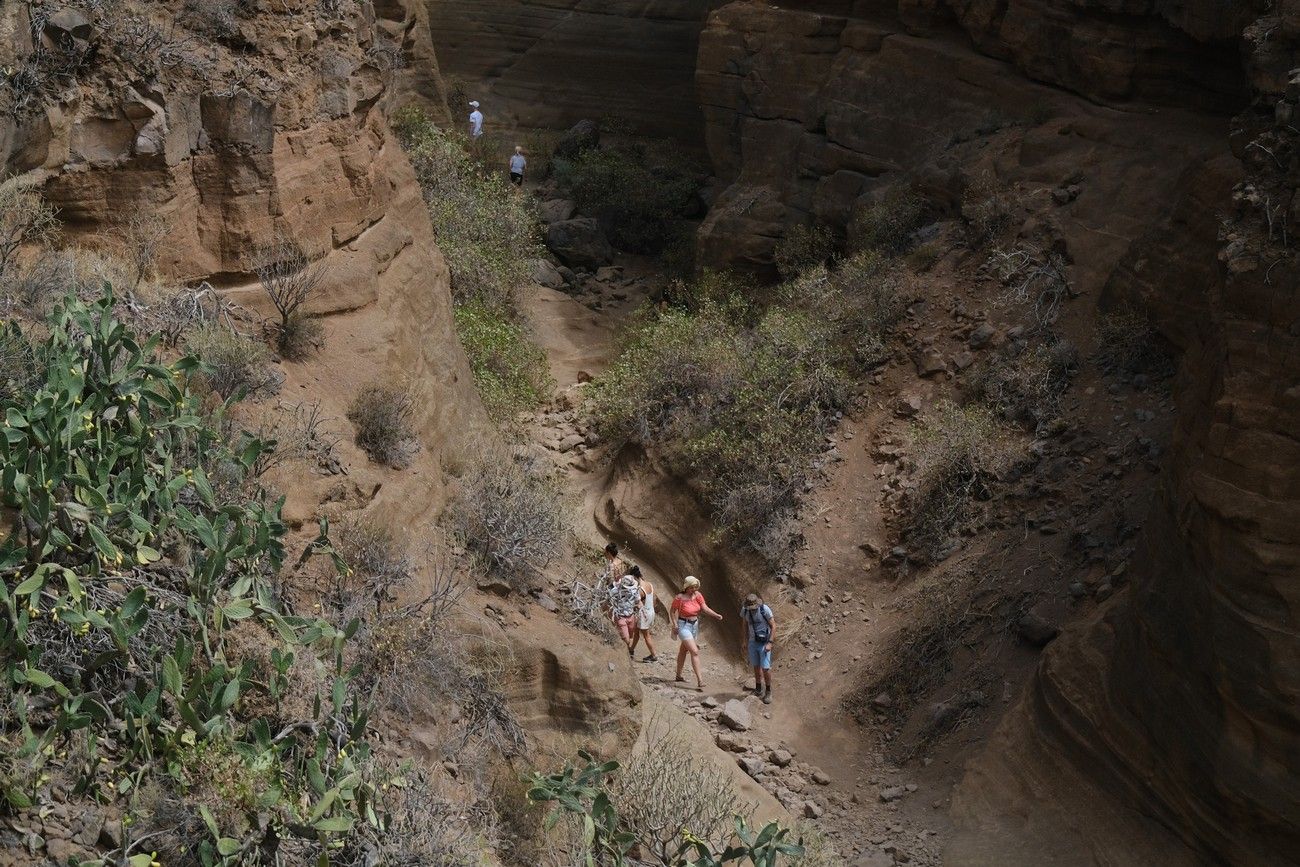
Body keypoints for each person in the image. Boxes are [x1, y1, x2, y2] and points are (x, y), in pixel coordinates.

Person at [669, 575, 723, 691]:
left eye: (695, 587)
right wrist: (675, 624)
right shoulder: (680, 597)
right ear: (686, 587)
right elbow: (672, 611)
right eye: (692, 587)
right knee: (694, 651)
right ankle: (700, 680)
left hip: (694, 625)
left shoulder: (698, 595)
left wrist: (716, 615)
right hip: (683, 626)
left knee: (683, 650)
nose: (694, 589)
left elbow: (705, 608)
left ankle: (678, 676)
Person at [740, 593, 776, 704]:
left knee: (765, 668)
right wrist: (745, 641)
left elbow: (773, 626)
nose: (752, 609)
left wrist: (770, 642)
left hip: (764, 642)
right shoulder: (745, 610)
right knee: (756, 666)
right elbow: (744, 625)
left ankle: (768, 691)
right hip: (752, 642)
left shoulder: (764, 609)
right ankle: (758, 689)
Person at [628, 565, 658, 663]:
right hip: (650, 611)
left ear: (634, 577)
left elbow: (636, 603)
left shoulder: (640, 589)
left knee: (646, 635)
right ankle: (631, 650)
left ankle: (654, 656)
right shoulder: (650, 584)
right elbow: (654, 598)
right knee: (636, 632)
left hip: (644, 614)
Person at [608, 573, 641, 657]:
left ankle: (624, 650)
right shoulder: (615, 591)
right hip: (620, 617)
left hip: (631, 615)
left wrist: (639, 607)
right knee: (626, 639)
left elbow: (638, 601)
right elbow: (609, 602)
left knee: (630, 636)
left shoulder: (634, 590)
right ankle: (625, 654)